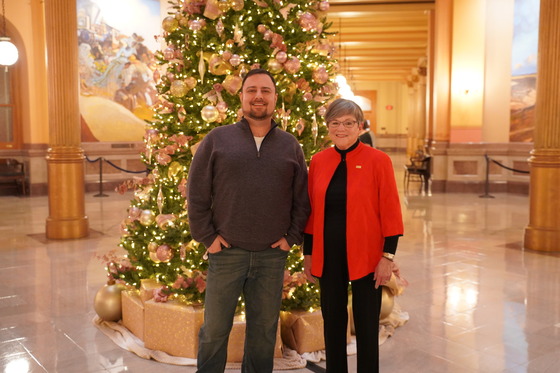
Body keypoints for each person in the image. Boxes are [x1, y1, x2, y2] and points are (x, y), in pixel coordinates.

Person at [187, 69, 310, 373]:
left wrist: (291, 237)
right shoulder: (217, 139)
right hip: (227, 254)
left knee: (263, 333)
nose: (258, 96)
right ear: (240, 96)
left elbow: (302, 198)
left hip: (271, 256)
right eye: (251, 90)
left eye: (265, 91)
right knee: (214, 330)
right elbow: (197, 190)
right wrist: (207, 237)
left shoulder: (290, 145)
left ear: (275, 99)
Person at [303, 98, 404, 373]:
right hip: (328, 256)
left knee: (367, 326)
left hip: (368, 257)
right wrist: (308, 254)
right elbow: (312, 213)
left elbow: (391, 212)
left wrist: (387, 256)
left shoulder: (378, 160)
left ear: (359, 127)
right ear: (328, 127)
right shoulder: (319, 161)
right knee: (333, 323)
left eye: (348, 123)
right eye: (335, 123)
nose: (341, 128)